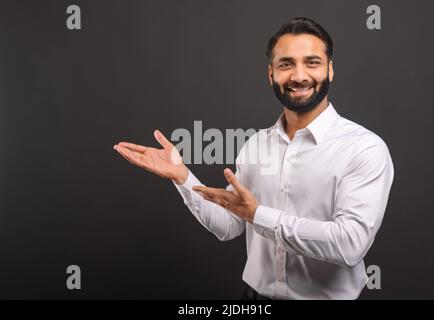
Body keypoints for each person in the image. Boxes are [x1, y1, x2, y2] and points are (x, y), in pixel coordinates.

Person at [113, 17, 394, 300]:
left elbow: (349, 244)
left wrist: (258, 215)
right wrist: (182, 176)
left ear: (330, 70)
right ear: (270, 73)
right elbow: (228, 226)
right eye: (286, 64)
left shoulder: (364, 148)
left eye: (312, 62)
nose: (299, 76)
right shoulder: (256, 144)